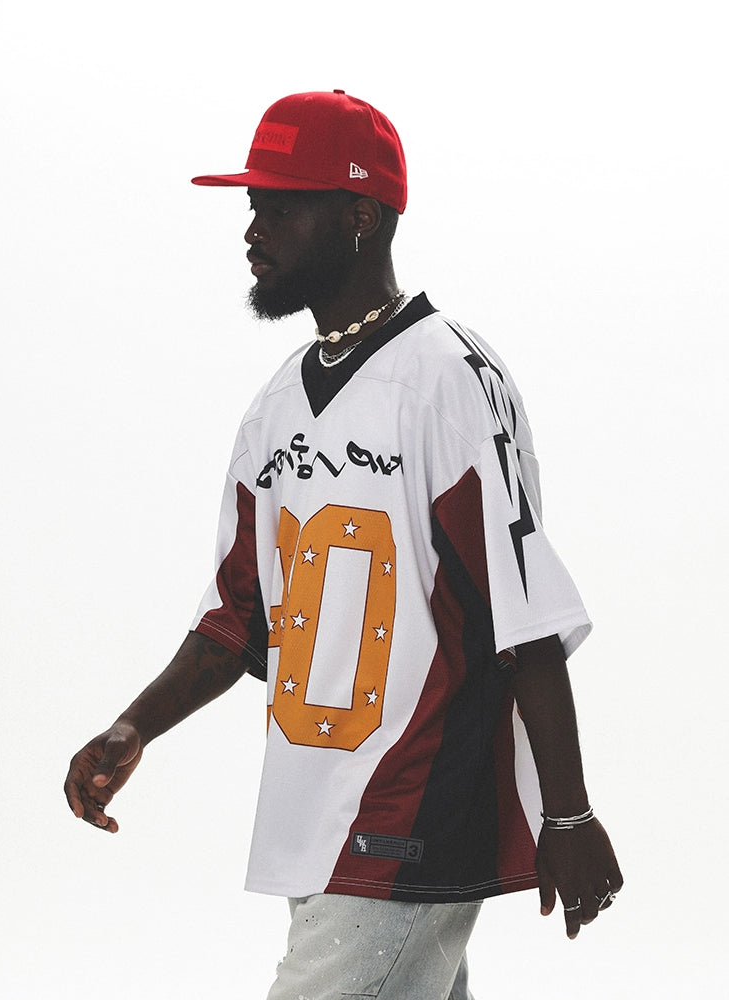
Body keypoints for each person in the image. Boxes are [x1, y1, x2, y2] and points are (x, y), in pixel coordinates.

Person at [65, 90, 623, 1000]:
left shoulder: (447, 376)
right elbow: (237, 621)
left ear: (361, 215)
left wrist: (568, 812)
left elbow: (523, 615)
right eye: (253, 206)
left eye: (280, 207)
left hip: (410, 812)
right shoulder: (274, 408)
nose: (254, 231)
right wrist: (134, 726)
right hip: (313, 823)